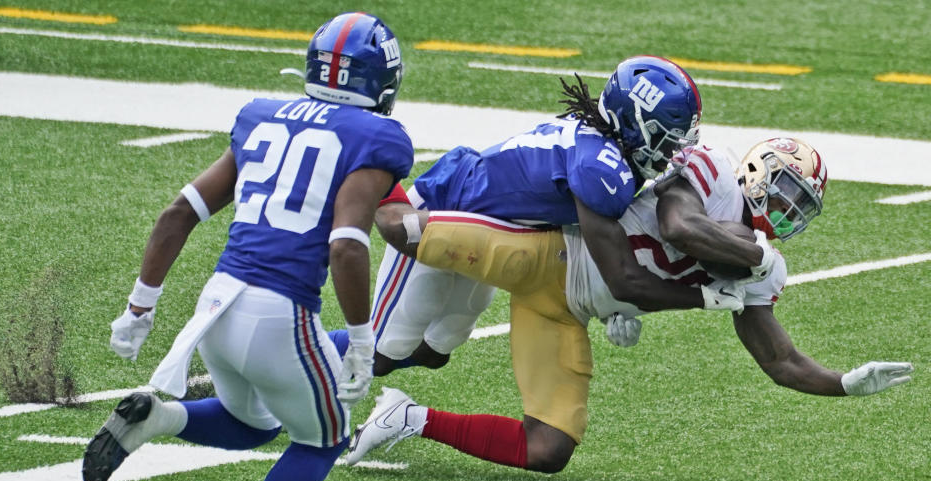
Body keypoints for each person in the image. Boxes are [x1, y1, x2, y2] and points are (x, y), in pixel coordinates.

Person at [81, 12, 413, 481]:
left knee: (253, 423)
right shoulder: (378, 138)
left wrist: (140, 308)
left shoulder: (262, 116)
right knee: (321, 441)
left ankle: (160, 418)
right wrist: (362, 341)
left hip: (216, 309)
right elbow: (345, 245)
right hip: (278, 314)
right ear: (382, 81)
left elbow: (175, 215)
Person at [345, 137, 913, 473]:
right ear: (756, 170)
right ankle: (367, 162)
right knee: (406, 239)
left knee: (549, 448)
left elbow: (780, 360)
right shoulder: (711, 174)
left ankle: (407, 417)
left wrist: (841, 383)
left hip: (564, 310)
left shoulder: (760, 263)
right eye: (787, 191)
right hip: (543, 251)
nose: (789, 213)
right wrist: (744, 262)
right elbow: (679, 226)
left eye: (801, 207)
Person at [330, 56, 776, 377]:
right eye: (666, 137)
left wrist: (612, 310)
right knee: (385, 349)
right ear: (635, 121)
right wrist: (696, 297)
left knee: (436, 351)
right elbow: (622, 277)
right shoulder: (602, 167)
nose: (674, 152)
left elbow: (586, 238)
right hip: (439, 215)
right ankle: (294, 365)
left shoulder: (611, 157)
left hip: (488, 231)